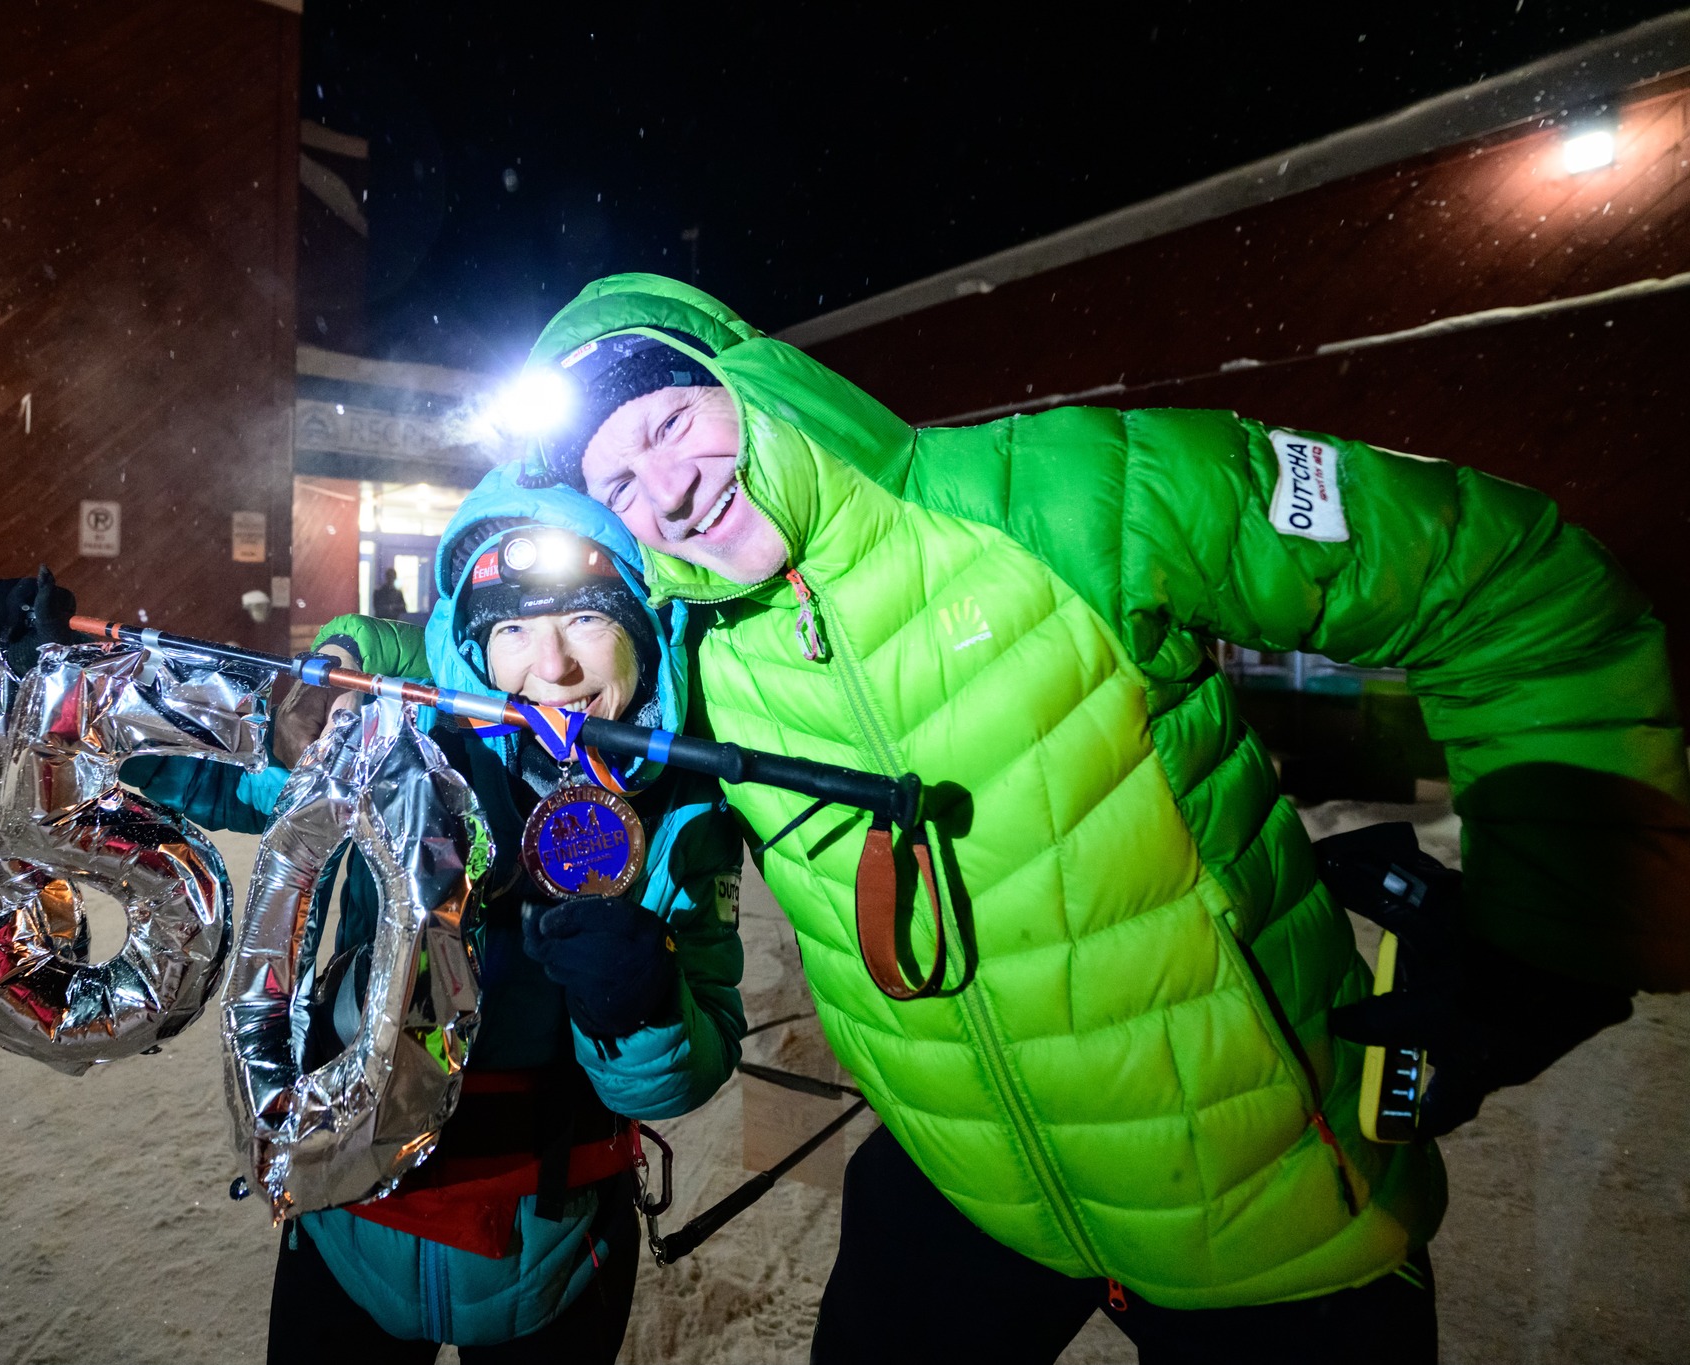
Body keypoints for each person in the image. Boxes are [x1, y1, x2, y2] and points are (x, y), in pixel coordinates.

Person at [508, 272, 1690, 1362]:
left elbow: (1505, 583)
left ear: (756, 388)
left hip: (1268, 1209)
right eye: (614, 481)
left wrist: (1553, 936)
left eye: (668, 423)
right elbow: (495, 666)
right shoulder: (694, 654)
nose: (665, 488)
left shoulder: (1067, 494)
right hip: (968, 1195)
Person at [0, 482, 746, 1364]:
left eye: (587, 621)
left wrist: (639, 1003)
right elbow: (211, 772)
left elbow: (686, 1074)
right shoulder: (398, 750)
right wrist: (47, 673)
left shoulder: (684, 813)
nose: (555, 666)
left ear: (643, 630)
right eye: (515, 630)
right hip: (350, 1228)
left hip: (559, 1246)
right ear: (475, 648)